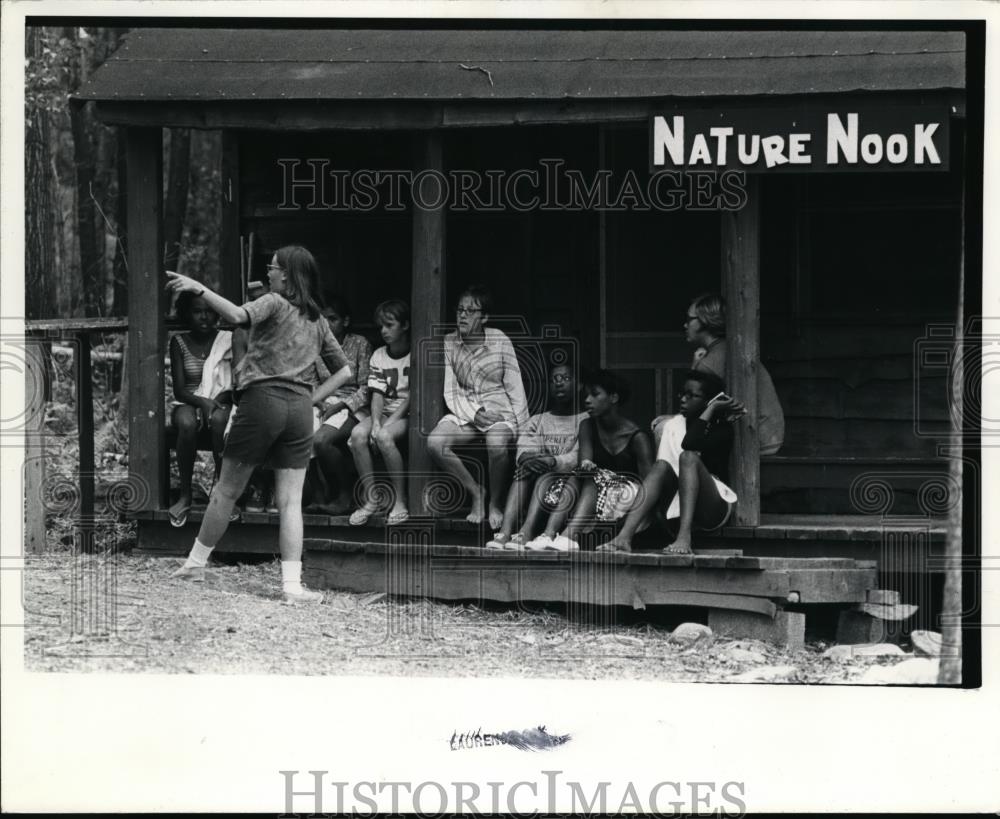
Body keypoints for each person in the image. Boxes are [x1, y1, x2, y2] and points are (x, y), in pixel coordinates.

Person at [166, 245, 352, 603]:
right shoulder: (317, 319)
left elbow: (236, 315)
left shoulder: (274, 302)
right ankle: (292, 587)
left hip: (262, 402)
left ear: (287, 276)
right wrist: (310, 399)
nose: (268, 273)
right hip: (299, 410)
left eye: (273, 268)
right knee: (291, 502)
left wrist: (197, 287)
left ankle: (194, 564)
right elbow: (344, 370)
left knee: (227, 490)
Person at [602, 369, 744, 554]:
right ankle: (623, 537)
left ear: (710, 401)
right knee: (661, 466)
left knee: (688, 457)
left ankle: (684, 538)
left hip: (713, 506)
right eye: (683, 393)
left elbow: (689, 444)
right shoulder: (674, 424)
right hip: (677, 498)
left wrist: (712, 409)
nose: (683, 399)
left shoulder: (722, 428)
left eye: (692, 396)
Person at [427, 285, 529, 529]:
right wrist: (475, 414)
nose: (463, 315)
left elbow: (515, 388)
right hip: (466, 413)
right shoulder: (449, 342)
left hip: (499, 413)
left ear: (484, 317)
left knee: (496, 444)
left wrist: (525, 431)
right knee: (434, 443)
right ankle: (476, 492)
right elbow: (450, 390)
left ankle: (495, 502)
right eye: (460, 310)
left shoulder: (499, 339)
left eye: (471, 311)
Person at [525, 369, 653, 552]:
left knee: (592, 476)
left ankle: (568, 536)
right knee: (583, 472)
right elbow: (586, 461)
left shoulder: (637, 437)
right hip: (593, 485)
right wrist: (587, 466)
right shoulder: (587, 425)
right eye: (586, 395)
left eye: (594, 395)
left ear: (613, 398)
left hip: (627, 495)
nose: (587, 400)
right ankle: (548, 534)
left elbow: (648, 484)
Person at [653, 292, 784, 454]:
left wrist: (696, 366)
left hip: (755, 439)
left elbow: (693, 411)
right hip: (769, 434)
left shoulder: (710, 361)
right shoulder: (728, 349)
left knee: (664, 427)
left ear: (705, 321)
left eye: (689, 320)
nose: (685, 325)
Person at [485, 361, 588, 550]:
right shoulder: (538, 420)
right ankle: (505, 533)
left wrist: (552, 460)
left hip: (571, 482)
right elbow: (524, 449)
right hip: (540, 477)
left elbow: (578, 456)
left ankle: (526, 531)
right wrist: (527, 458)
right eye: (553, 380)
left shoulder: (586, 420)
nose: (558, 383)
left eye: (565, 378)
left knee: (545, 474)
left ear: (579, 385)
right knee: (523, 470)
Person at [167, 292, 233, 528]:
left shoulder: (228, 339)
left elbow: (233, 383)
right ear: (187, 314)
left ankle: (223, 493)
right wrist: (203, 403)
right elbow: (179, 390)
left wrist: (215, 401)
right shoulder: (179, 342)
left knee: (219, 421)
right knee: (186, 424)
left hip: (222, 397)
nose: (204, 317)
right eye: (197, 311)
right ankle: (186, 495)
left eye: (209, 311)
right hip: (189, 400)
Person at [348, 299, 412, 526]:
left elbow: (412, 398)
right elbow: (377, 394)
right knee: (357, 435)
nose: (384, 331)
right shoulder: (379, 355)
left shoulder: (415, 353)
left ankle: (400, 501)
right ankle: (372, 498)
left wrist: (385, 426)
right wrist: (375, 422)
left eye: (390, 325)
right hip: (384, 413)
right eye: (381, 326)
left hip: (407, 415)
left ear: (404, 325)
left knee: (384, 437)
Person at [310, 296, 373, 514]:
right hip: (322, 403)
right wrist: (319, 403)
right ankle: (317, 493)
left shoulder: (359, 344)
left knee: (322, 440)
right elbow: (311, 382)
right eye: (323, 319)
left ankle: (344, 494)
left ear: (345, 321)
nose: (327, 324)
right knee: (299, 430)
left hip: (353, 406)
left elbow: (367, 387)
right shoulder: (316, 345)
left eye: (333, 319)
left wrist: (342, 406)